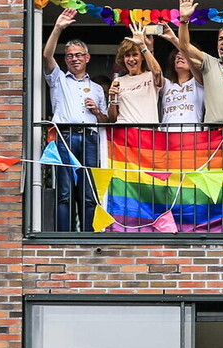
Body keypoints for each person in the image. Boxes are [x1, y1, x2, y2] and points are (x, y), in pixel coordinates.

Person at [42, 8, 109, 232]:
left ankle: (89, 237)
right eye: (70, 55)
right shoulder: (58, 79)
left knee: (89, 192)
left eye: (79, 55)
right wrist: (58, 28)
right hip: (65, 137)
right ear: (66, 59)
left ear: (87, 58)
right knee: (64, 192)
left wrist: (97, 111)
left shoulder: (97, 88)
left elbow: (105, 120)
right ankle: (64, 237)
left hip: (90, 138)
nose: (74, 58)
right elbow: (46, 56)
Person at [108, 23, 163, 124]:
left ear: (142, 57)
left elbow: (157, 72)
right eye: (127, 55)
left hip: (147, 130)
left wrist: (143, 46)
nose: (131, 59)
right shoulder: (118, 81)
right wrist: (112, 99)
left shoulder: (150, 75)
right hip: (124, 130)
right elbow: (112, 119)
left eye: (135, 55)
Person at [159, 26, 205, 129]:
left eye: (183, 56)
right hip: (167, 135)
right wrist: (146, 47)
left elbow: (194, 63)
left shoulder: (198, 81)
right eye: (177, 56)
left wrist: (174, 39)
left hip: (191, 134)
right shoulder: (166, 84)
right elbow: (155, 72)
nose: (179, 57)